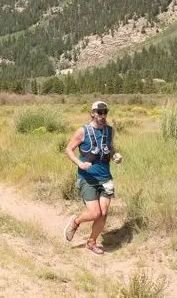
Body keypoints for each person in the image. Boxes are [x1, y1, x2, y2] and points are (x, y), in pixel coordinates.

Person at [63, 100, 123, 255]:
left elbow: (109, 147)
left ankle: (91, 242)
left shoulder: (109, 130)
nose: (103, 115)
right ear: (93, 113)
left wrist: (115, 155)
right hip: (87, 178)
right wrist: (79, 163)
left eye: (105, 112)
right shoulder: (82, 131)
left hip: (105, 178)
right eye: (100, 112)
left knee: (103, 212)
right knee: (94, 213)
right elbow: (68, 149)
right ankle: (75, 222)